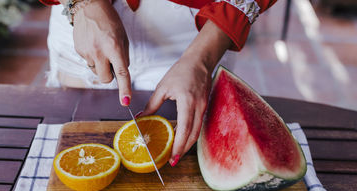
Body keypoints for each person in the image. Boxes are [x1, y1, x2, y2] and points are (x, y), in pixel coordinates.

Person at [40, 0, 277, 167]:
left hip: (197, 32)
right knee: (70, 152)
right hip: (80, 22)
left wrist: (202, 58)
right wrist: (82, 4)